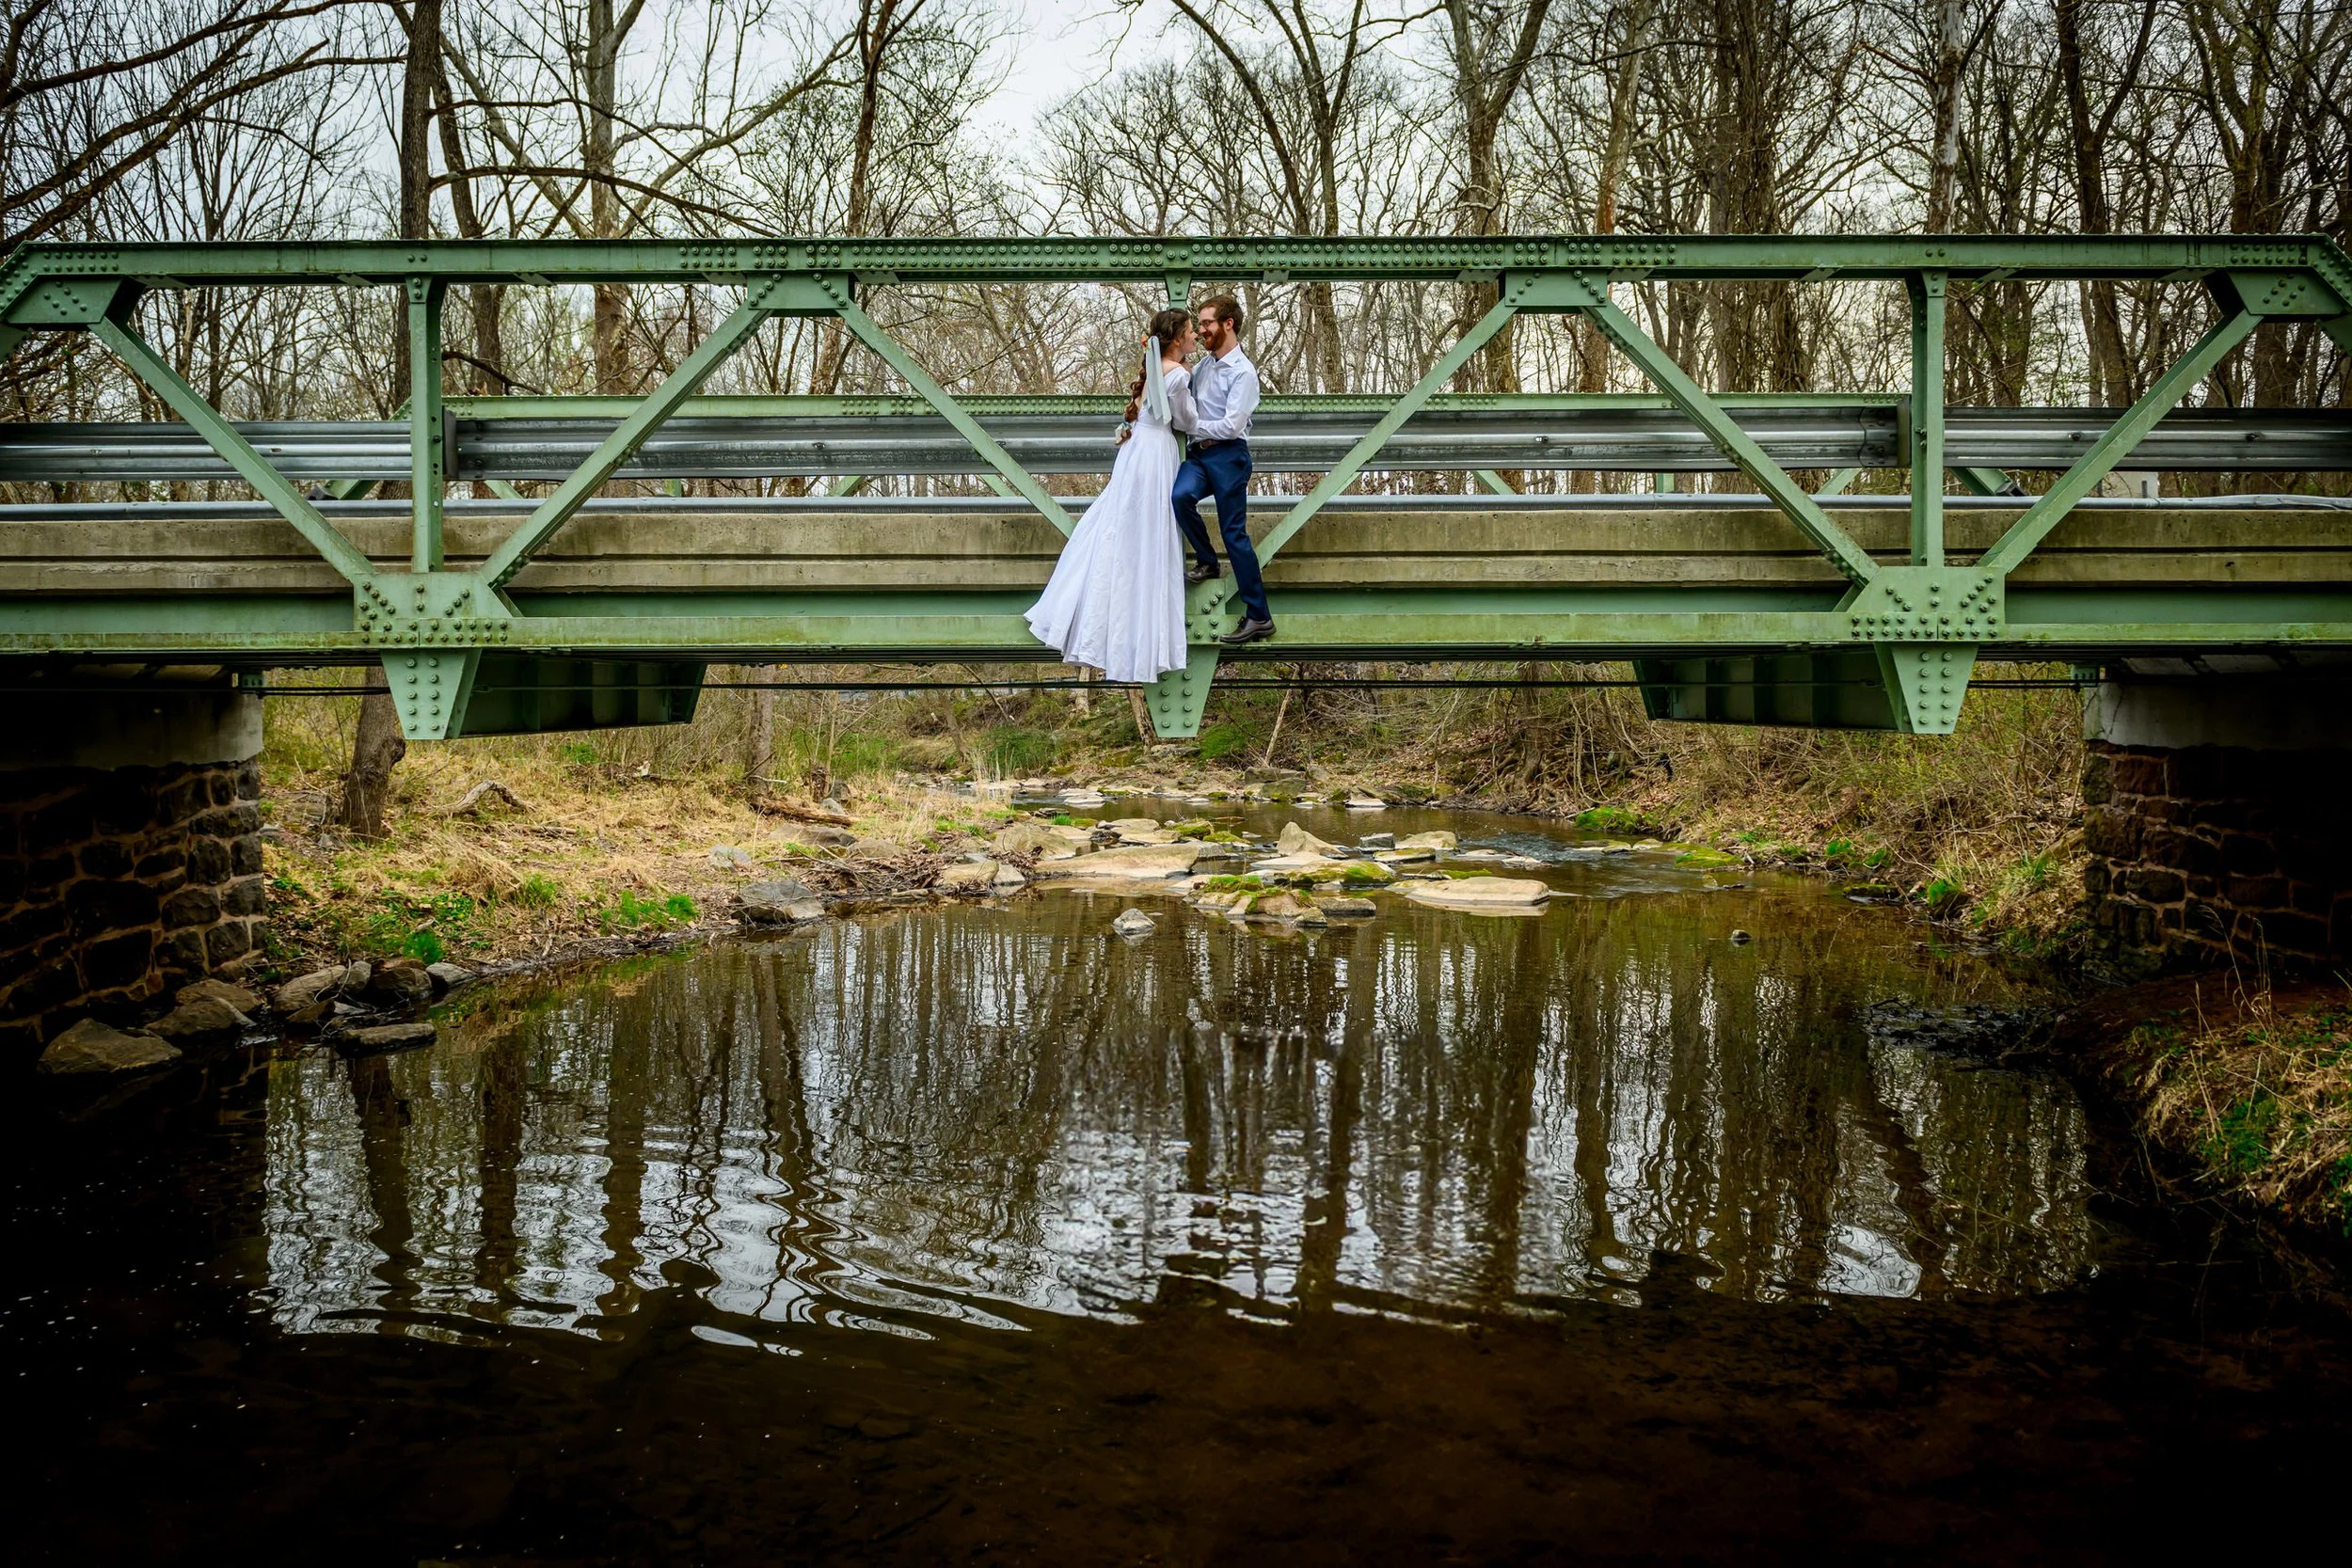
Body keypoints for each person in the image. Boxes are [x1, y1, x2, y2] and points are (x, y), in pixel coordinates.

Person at [1025, 307, 1198, 684]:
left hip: (1135, 452)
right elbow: (1187, 421)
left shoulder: (1154, 368)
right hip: (1156, 454)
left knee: (1120, 523)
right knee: (1151, 528)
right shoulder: (1179, 375)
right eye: (1190, 331)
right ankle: (1142, 627)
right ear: (1176, 338)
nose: (1196, 336)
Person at [1172, 294, 1274, 645]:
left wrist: (1193, 426)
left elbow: (1231, 426)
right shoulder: (1203, 366)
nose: (1201, 331)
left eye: (1207, 324)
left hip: (1230, 456)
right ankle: (1207, 561)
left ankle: (1259, 616)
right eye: (1199, 324)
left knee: (1234, 535)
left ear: (1228, 324)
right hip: (1199, 456)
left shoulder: (1243, 372)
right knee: (1180, 496)